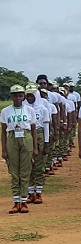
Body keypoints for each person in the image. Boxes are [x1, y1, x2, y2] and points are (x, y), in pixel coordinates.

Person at [1, 85, 39, 213]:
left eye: (20, 95)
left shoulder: (29, 110)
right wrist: (4, 150)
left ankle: (24, 200)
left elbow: (34, 129)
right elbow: (3, 131)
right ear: (11, 96)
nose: (17, 98)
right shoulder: (6, 111)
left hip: (26, 136)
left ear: (23, 97)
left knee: (25, 171)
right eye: (15, 95)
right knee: (14, 171)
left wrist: (35, 147)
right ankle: (16, 201)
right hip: (12, 137)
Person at [24, 84, 50, 205]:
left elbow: (46, 127)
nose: (29, 98)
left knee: (39, 165)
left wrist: (46, 143)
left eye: (32, 95)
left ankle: (38, 192)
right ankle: (30, 193)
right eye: (28, 95)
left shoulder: (43, 109)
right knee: (28, 165)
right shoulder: (23, 108)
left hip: (39, 134)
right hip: (26, 135)